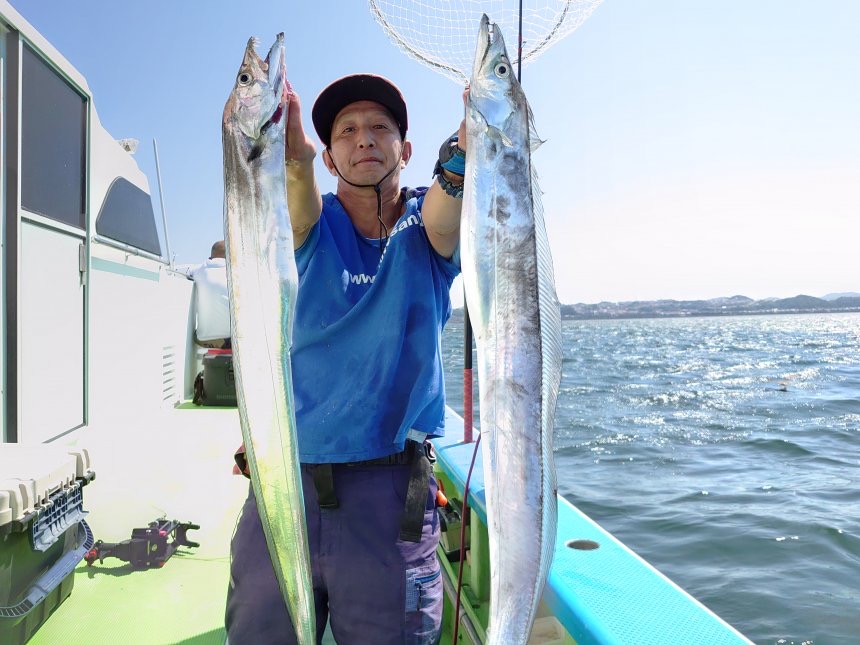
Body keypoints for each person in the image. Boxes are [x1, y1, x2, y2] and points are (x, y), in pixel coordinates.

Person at [225, 74, 467, 644]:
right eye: (347, 131)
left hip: (391, 494)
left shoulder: (427, 228)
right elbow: (298, 206)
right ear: (330, 158)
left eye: (381, 128)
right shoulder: (310, 224)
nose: (365, 139)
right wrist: (295, 160)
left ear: (406, 151)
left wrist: (463, 153)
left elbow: (444, 212)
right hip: (286, 483)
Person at [190, 240, 231, 349]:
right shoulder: (236, 270)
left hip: (202, 340)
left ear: (211, 256)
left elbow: (189, 272)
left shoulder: (199, 269)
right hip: (230, 341)